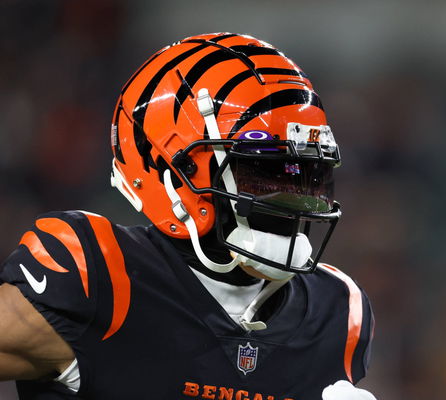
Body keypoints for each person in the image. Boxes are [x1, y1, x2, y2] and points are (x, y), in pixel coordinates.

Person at [0, 33, 376, 400]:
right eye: (263, 174)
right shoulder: (99, 277)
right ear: (173, 169)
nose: (291, 201)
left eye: (306, 177)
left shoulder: (338, 312)